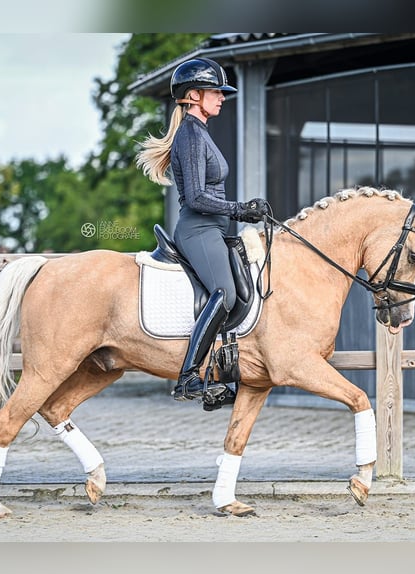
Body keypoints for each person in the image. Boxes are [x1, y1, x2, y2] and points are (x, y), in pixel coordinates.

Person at [136, 57, 269, 404]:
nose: (222, 97)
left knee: (243, 289)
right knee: (224, 292)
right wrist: (241, 210)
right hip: (198, 229)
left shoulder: (200, 133)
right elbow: (196, 197)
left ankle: (229, 368)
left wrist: (243, 211)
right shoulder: (191, 135)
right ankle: (189, 378)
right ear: (194, 95)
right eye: (216, 91)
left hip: (214, 228)